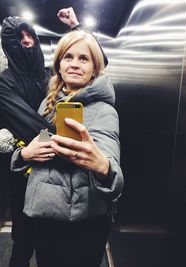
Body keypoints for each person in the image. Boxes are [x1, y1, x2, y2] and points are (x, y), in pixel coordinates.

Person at [0, 7, 108, 267]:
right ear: (8, 44)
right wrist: (74, 150)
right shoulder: (4, 83)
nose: (26, 42)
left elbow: (97, 61)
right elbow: (31, 125)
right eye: (19, 38)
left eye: (30, 36)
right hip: (28, 171)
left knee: (56, 245)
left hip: (62, 176)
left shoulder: (50, 75)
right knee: (23, 241)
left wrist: (76, 27)